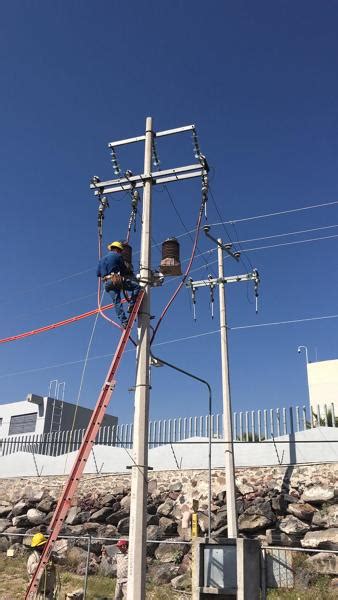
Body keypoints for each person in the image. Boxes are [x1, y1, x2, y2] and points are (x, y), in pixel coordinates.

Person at [97, 241, 140, 328]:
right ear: (117, 249)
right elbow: (124, 270)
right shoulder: (117, 256)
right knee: (137, 287)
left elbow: (98, 273)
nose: (121, 252)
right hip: (115, 279)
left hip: (107, 283)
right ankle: (132, 306)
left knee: (117, 302)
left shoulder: (101, 260)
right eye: (120, 250)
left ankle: (124, 322)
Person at [27, 533, 59, 600]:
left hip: (49, 593)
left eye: (43, 545)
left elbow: (61, 560)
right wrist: (41, 563)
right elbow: (30, 570)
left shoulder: (50, 555)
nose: (42, 547)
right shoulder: (33, 557)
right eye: (40, 546)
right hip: (37, 594)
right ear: (36, 547)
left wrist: (54, 559)